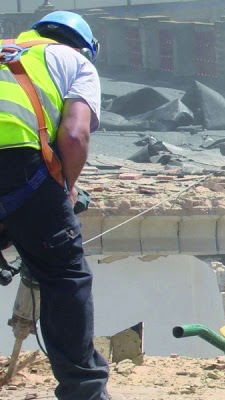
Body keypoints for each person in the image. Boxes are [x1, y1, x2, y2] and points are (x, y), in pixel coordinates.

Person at [0, 11, 108, 400]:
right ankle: (83, 390)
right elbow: (75, 135)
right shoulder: (73, 61)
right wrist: (66, 188)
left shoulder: (4, 50)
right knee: (64, 276)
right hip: (19, 166)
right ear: (84, 46)